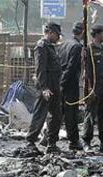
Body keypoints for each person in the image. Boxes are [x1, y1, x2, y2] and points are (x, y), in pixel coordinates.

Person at [26, 22, 63, 154]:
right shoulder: (41, 46)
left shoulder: (51, 46)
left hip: (54, 85)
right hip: (46, 86)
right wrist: (44, 88)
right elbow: (40, 69)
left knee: (57, 115)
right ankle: (30, 142)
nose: (59, 38)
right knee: (40, 114)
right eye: (57, 34)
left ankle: (51, 143)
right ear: (51, 33)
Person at [82, 25, 103, 153]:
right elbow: (86, 72)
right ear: (97, 34)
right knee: (90, 115)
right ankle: (86, 142)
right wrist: (89, 89)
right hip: (94, 87)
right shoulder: (88, 50)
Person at [57, 22, 84, 150]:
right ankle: (74, 141)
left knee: (57, 112)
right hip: (70, 84)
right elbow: (72, 68)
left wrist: (60, 83)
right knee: (71, 113)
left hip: (60, 82)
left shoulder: (64, 44)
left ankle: (48, 138)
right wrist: (64, 83)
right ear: (82, 32)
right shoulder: (77, 46)